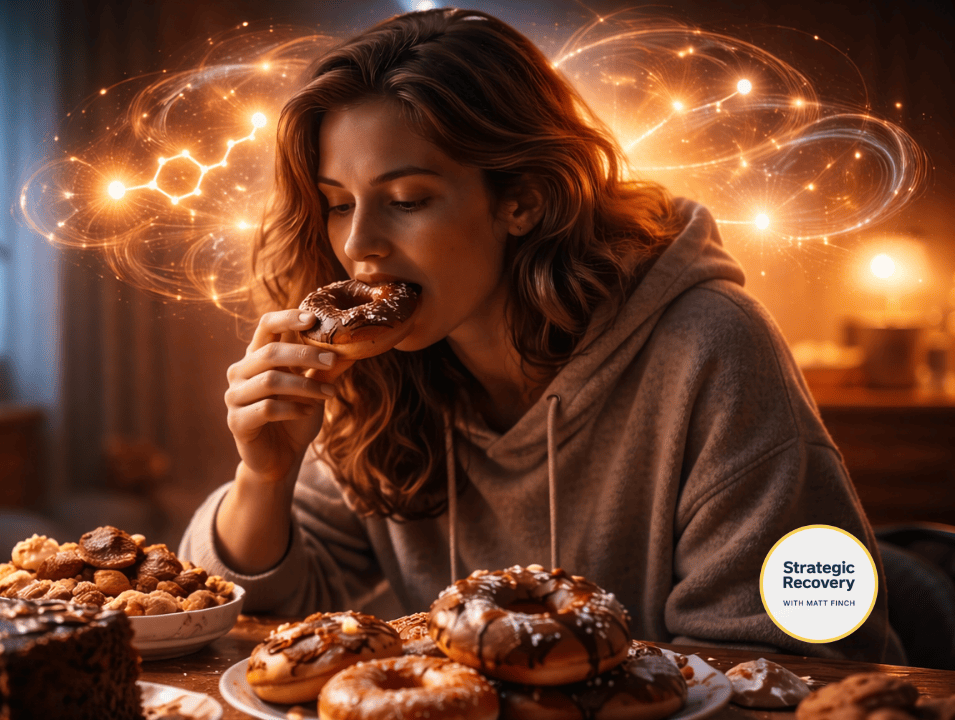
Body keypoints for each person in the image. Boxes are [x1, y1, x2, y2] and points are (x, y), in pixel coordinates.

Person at [179, 7, 900, 662]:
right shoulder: (386, 372)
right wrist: (264, 477)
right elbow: (247, 620)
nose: (359, 244)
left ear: (520, 199)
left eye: (407, 200)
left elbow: (781, 662)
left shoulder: (710, 345)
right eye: (339, 205)